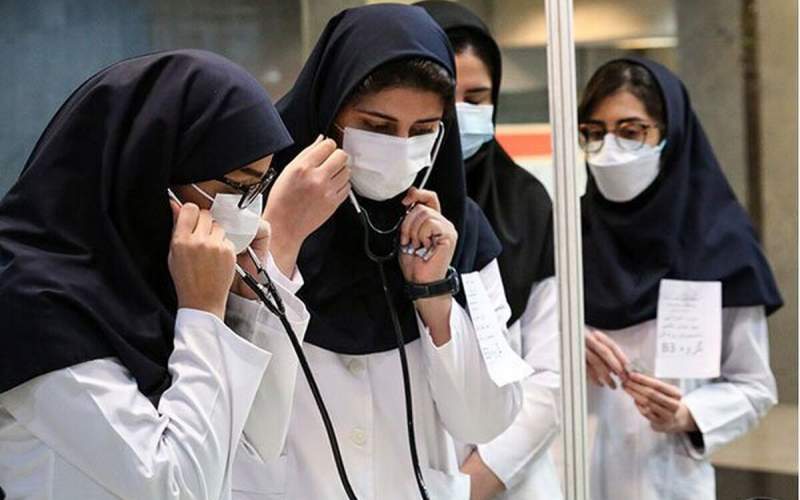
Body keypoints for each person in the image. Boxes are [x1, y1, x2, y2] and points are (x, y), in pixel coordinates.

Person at [0, 49, 346, 499]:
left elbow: (255, 448)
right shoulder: (32, 302)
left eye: (259, 188)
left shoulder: (154, 286)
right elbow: (181, 486)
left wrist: (248, 301)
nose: (247, 210)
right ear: (152, 170)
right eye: (235, 188)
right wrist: (202, 313)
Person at [243, 4, 526, 499]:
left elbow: (486, 419)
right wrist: (282, 238)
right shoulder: (252, 215)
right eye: (376, 127)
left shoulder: (457, 232)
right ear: (329, 114)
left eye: (422, 131)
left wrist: (434, 295)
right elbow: (239, 415)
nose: (400, 147)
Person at [578, 57, 783, 500]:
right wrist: (566, 347)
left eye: (631, 132)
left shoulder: (720, 245)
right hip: (575, 475)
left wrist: (688, 414)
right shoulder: (568, 237)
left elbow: (754, 386)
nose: (610, 149)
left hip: (669, 481)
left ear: (671, 134)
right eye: (594, 133)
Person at [416, 3, 562, 500]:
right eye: (447, 98)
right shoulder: (378, 205)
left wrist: (476, 479)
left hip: (508, 479)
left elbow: (551, 371)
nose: (461, 114)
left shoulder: (527, 204)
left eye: (476, 98)